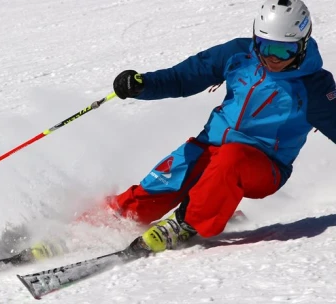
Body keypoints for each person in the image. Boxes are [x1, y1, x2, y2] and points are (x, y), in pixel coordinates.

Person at [103, 0, 336, 253]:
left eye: (284, 51)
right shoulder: (238, 54)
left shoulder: (315, 87)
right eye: (264, 46)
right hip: (210, 146)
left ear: (302, 45)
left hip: (263, 166)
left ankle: (187, 223)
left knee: (231, 158)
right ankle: (97, 224)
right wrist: (143, 85)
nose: (271, 58)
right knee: (164, 183)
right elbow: (185, 76)